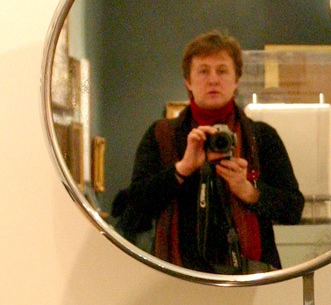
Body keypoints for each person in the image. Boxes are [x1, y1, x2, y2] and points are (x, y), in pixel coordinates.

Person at [116, 30, 304, 274]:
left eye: (222, 71)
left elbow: (293, 209)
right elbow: (134, 210)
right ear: (188, 81)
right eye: (203, 71)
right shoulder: (162, 135)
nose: (213, 80)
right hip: (176, 274)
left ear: (236, 80)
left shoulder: (261, 136)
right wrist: (181, 170)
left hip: (248, 276)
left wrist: (249, 191)